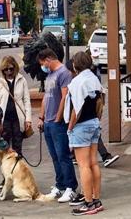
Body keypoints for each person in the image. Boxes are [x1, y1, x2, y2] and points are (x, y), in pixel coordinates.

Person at [65, 51, 106, 215]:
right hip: (94, 122)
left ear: (75, 65)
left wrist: (70, 127)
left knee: (83, 166)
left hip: (81, 125)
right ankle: (96, 199)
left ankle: (88, 203)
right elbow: (101, 100)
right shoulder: (94, 79)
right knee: (93, 163)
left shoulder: (76, 82)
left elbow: (76, 109)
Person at [36, 48, 78, 202]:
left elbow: (65, 97)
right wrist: (41, 117)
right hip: (48, 121)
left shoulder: (64, 73)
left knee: (63, 155)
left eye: (43, 63)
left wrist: (58, 118)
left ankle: (70, 187)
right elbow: (46, 97)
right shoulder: (49, 75)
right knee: (55, 156)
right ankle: (60, 185)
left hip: (57, 123)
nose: (43, 67)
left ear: (48, 59)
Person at [0, 55, 32, 192]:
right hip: (4, 121)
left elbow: (26, 101)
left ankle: (19, 177)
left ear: (15, 68)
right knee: (5, 151)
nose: (8, 72)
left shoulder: (22, 80)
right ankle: (6, 178)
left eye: (11, 69)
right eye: (6, 69)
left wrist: (28, 119)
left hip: (17, 120)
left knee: (18, 150)